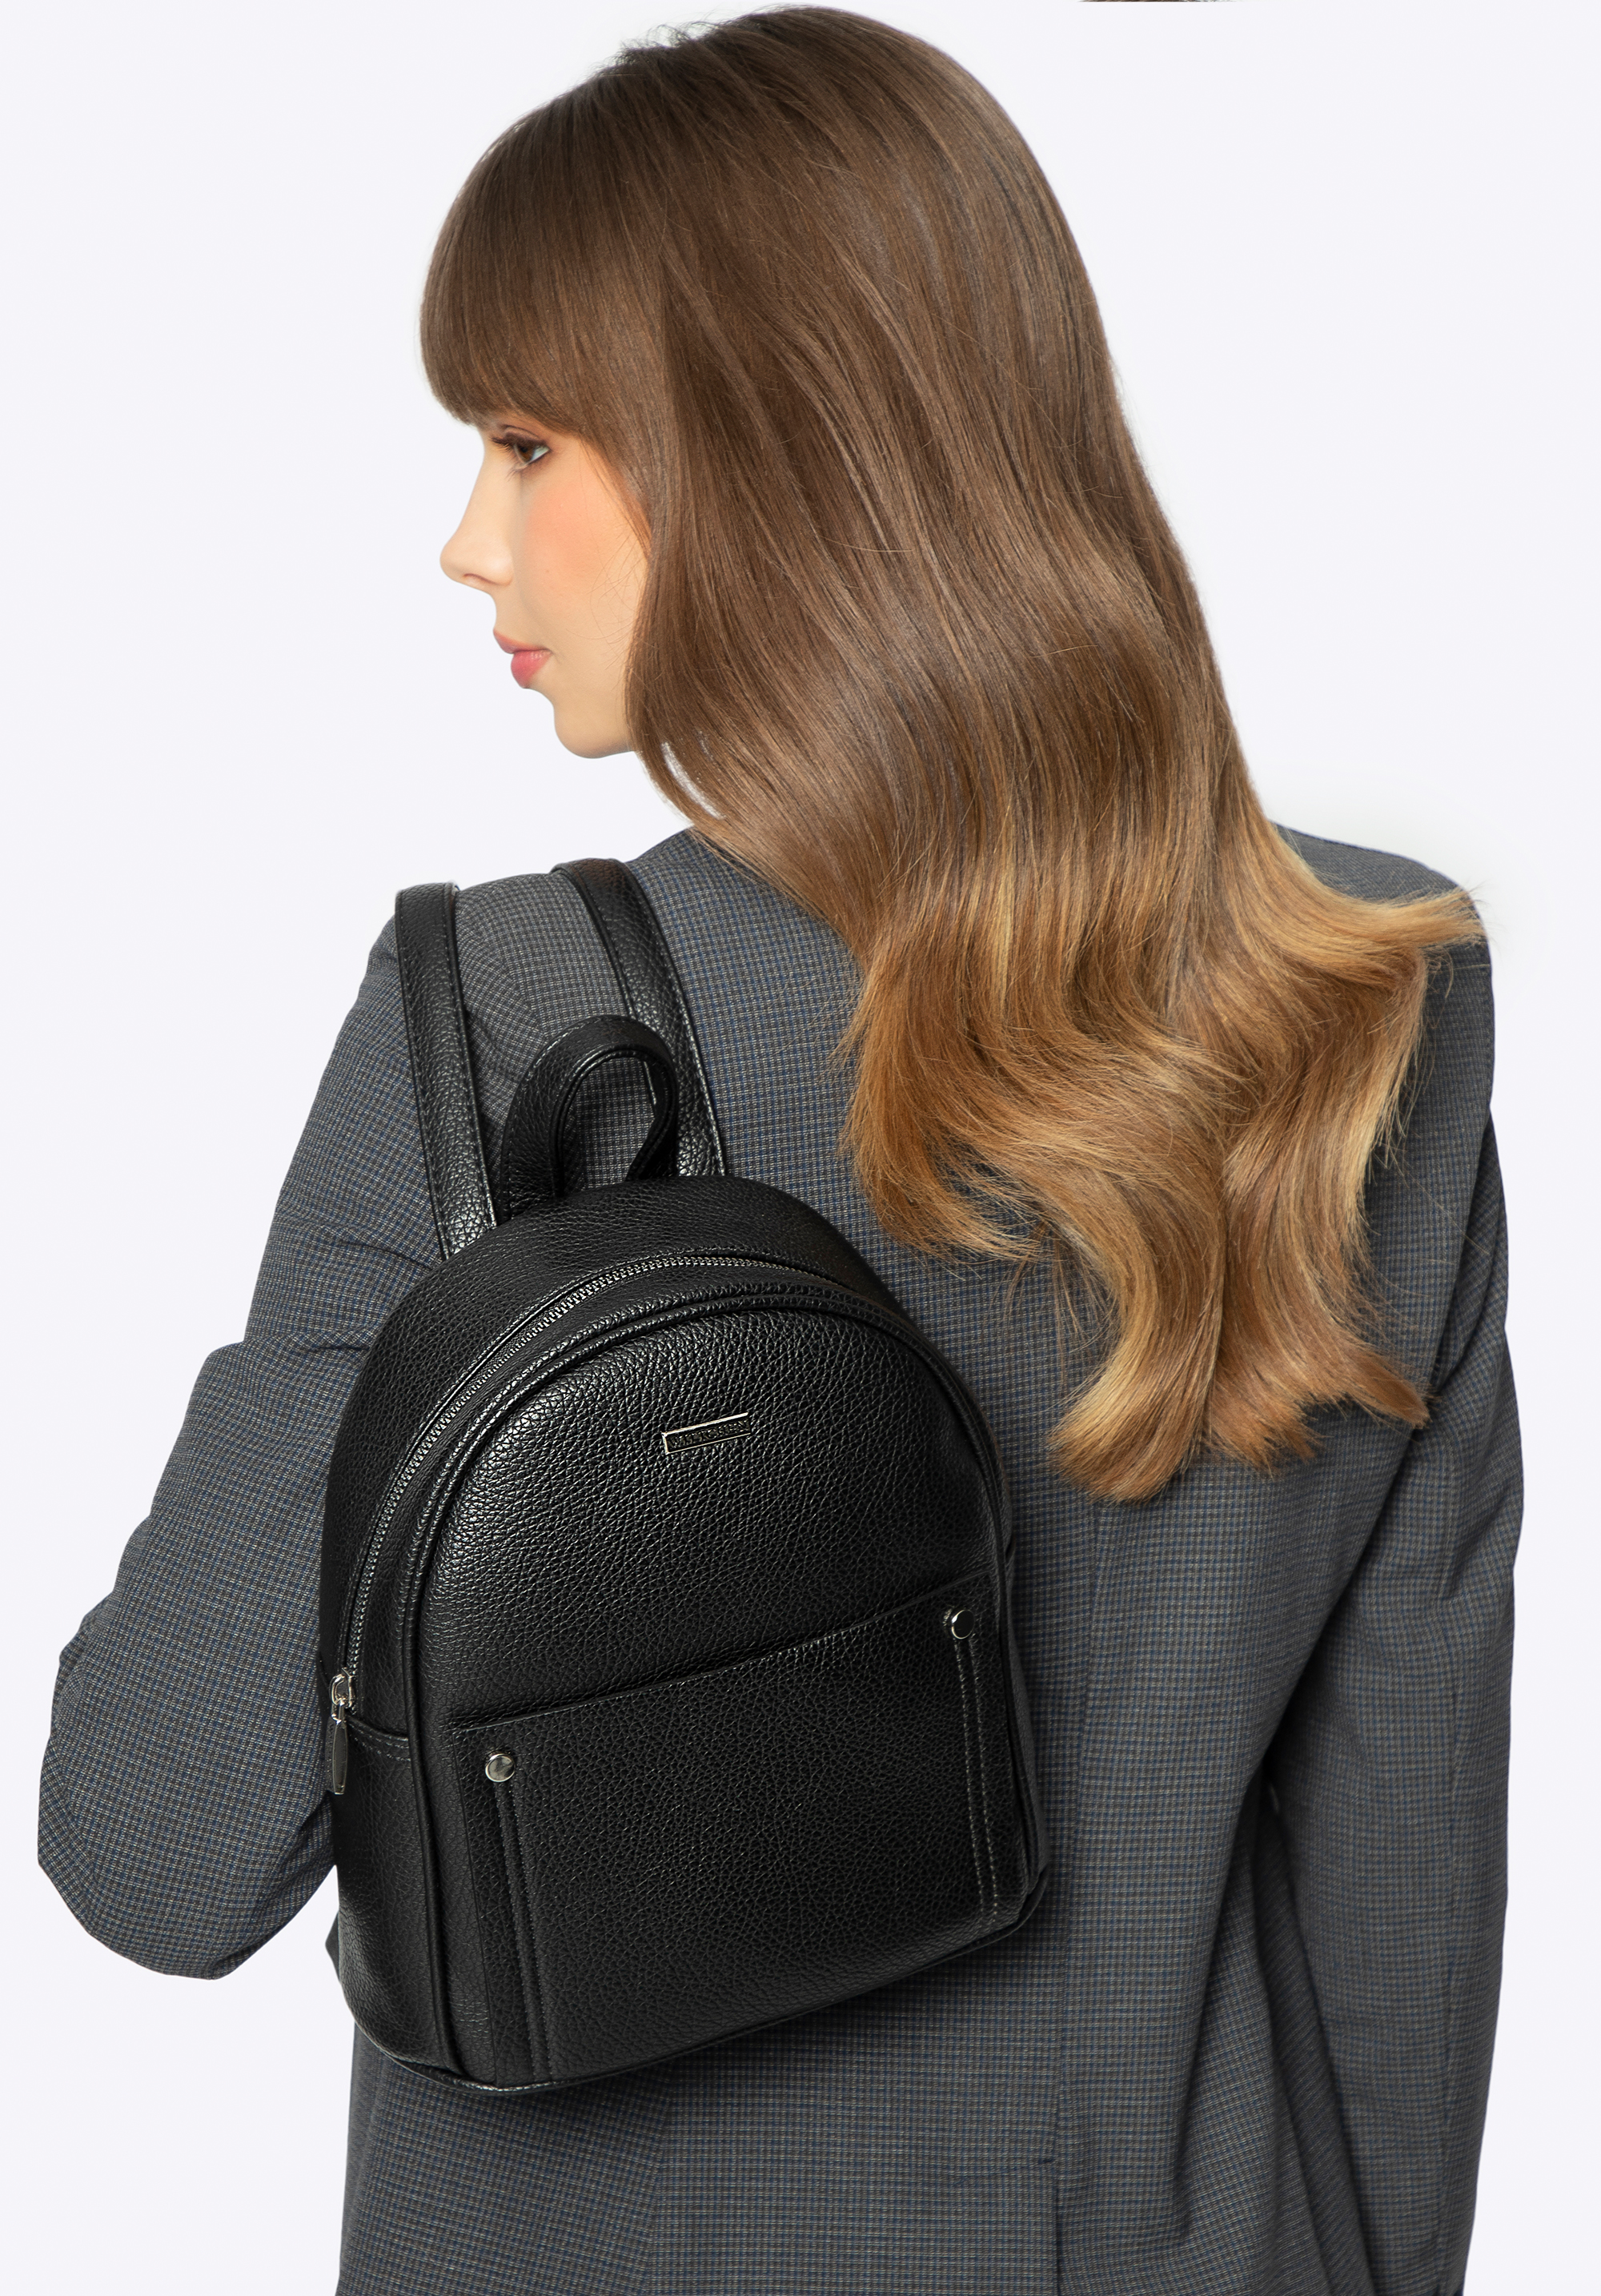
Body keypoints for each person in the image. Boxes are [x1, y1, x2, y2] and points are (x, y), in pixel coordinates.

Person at [37, 10, 1518, 2293]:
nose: (468, 539)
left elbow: (155, 1842)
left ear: (770, 446)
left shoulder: (517, 1021)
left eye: (527, 441)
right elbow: (1398, 1918)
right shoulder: (1370, 1012)